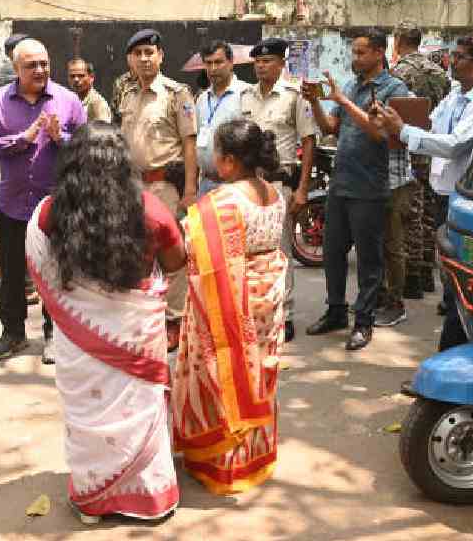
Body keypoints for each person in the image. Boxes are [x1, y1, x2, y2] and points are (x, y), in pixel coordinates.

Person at [26, 122, 184, 523]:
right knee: (142, 411)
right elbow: (177, 262)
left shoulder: (47, 215)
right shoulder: (151, 211)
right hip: (138, 336)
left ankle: (93, 500)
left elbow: (42, 270)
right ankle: (149, 498)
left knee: (87, 417)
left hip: (79, 345)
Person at [172, 118, 288, 495]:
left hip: (233, 302)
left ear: (228, 162)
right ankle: (256, 457)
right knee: (259, 372)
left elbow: (193, 250)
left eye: (215, 153)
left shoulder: (222, 202)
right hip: (268, 296)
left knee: (223, 368)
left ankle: (223, 462)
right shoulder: (275, 193)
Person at [374, 35, 473, 350]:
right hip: (444, 192)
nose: (451, 62)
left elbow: (456, 143)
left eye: (459, 57)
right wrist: (397, 123)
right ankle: (453, 350)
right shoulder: (456, 93)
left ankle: (453, 356)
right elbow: (432, 127)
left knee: (460, 281)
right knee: (449, 276)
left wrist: (402, 130)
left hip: (469, 198)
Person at [0, 39, 86, 364]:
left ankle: (56, 335)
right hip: (11, 203)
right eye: (31, 65)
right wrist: (20, 140)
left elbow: (85, 146)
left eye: (44, 63)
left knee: (57, 272)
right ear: (16, 69)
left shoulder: (67, 100)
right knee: (10, 274)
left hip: (55, 204)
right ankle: (13, 333)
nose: (39, 70)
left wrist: (60, 138)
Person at [301, 29, 410, 351]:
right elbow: (330, 129)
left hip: (370, 186)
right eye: (353, 52)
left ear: (379, 53)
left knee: (369, 259)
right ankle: (336, 311)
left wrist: (343, 101)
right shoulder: (351, 85)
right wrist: (316, 104)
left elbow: (380, 134)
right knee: (333, 253)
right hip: (342, 183)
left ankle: (363, 321)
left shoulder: (393, 88)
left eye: (361, 53)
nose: (354, 58)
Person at [119, 29, 198, 351]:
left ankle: (174, 320)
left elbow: (189, 144)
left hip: (166, 185)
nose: (144, 59)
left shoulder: (177, 94)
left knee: (173, 255)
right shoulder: (127, 95)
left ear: (161, 56)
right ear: (130, 60)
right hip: (134, 186)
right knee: (138, 253)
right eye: (137, 54)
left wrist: (190, 189)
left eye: (150, 53)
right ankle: (145, 315)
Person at [240, 37, 318, 342]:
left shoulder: (293, 96)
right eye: (257, 62)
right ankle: (254, 312)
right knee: (250, 252)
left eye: (268, 61)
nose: (261, 66)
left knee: (280, 252)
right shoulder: (245, 96)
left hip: (278, 182)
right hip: (247, 185)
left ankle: (284, 314)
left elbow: (308, 140)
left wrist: (302, 189)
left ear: (281, 64)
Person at [375, 24, 451, 327]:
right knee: (429, 210)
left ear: (397, 42)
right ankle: (427, 274)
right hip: (433, 146)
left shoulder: (399, 75)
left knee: (410, 215)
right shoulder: (439, 72)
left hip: (407, 146)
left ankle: (414, 278)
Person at [195, 39, 249, 197]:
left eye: (218, 62)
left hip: (234, 185)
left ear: (231, 63)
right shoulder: (202, 99)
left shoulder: (246, 94)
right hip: (205, 183)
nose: (213, 69)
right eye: (208, 63)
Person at [67, 58, 112, 124]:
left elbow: (104, 131)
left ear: (91, 77)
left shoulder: (97, 103)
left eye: (81, 76)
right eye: (72, 76)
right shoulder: (69, 100)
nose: (76, 79)